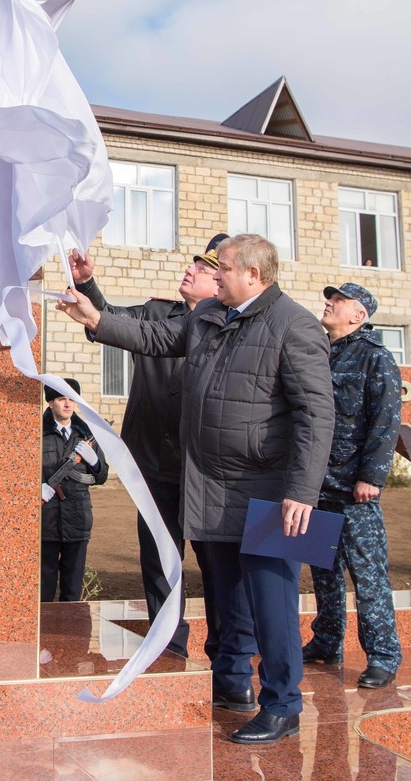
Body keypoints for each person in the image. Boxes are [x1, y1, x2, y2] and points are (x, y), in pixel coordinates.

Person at [57, 234, 335, 744]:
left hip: (272, 493)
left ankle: (284, 705)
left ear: (253, 274)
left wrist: (302, 491)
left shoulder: (293, 325)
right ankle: (232, 687)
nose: (213, 272)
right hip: (212, 485)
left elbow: (316, 416)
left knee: (271, 603)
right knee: (225, 594)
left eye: (222, 267)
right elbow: (155, 339)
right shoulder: (209, 318)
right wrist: (94, 318)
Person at [69, 235, 228, 661]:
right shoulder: (158, 312)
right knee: (160, 559)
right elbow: (114, 321)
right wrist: (87, 284)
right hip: (154, 466)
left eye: (203, 268)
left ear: (222, 284)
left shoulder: (230, 331)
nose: (190, 269)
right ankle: (168, 647)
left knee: (215, 566)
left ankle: (224, 649)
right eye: (192, 262)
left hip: (205, 471)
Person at [303, 283, 403, 687]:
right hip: (318, 484)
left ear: (358, 315)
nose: (328, 303)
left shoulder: (375, 359)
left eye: (338, 301)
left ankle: (382, 655)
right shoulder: (321, 353)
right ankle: (327, 641)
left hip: (353, 487)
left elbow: (386, 420)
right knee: (323, 571)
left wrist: (371, 477)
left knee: (368, 573)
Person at [41, 379, 109, 602]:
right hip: (46, 521)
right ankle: (45, 634)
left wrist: (95, 462)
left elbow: (101, 477)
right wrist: (35, 488)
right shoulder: (37, 433)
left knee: (72, 589)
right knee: (44, 588)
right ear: (51, 403)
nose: (68, 405)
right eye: (62, 399)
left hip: (78, 519)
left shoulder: (87, 435)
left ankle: (68, 632)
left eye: (71, 400)